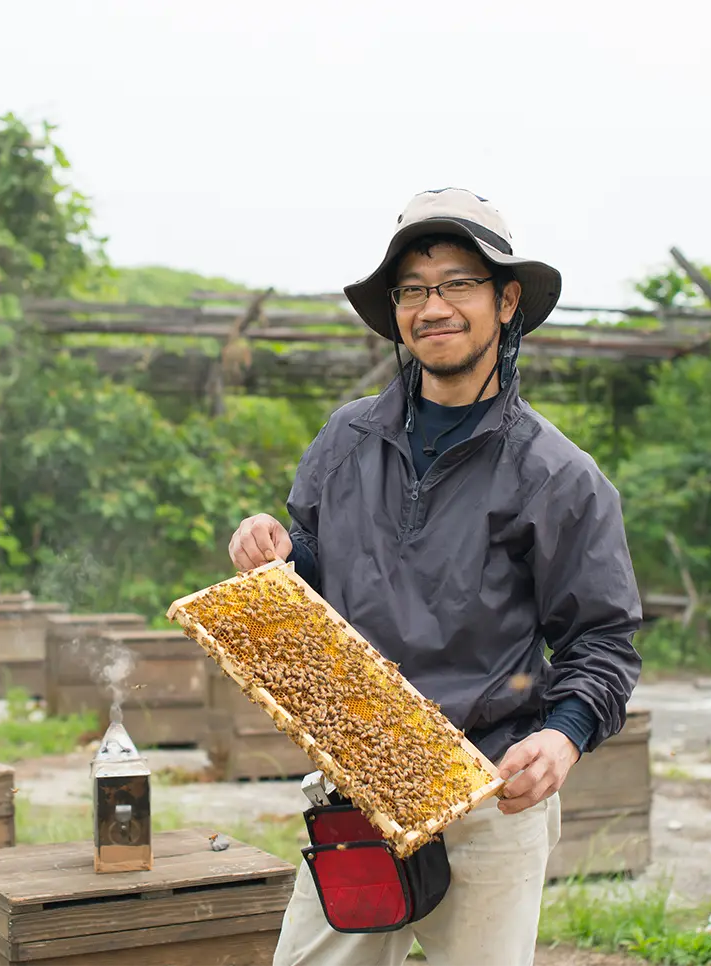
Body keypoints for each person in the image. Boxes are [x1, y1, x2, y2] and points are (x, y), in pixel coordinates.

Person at [227, 187, 643, 966]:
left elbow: (602, 639)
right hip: (358, 787)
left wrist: (564, 736)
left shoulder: (558, 476)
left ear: (506, 301)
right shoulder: (346, 440)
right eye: (413, 290)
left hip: (488, 795)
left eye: (458, 283)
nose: (434, 307)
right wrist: (274, 552)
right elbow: (311, 571)